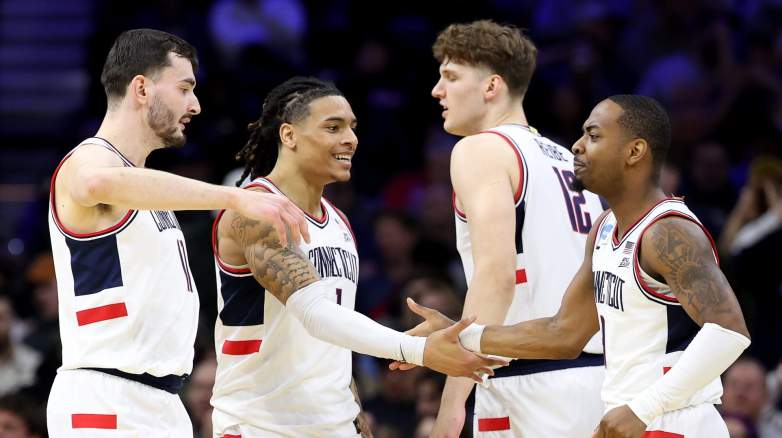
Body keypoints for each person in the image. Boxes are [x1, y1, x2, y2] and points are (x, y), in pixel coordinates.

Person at [407, 95, 752, 437]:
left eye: (594, 135)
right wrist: (459, 334)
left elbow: (729, 331)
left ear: (635, 151)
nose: (576, 146)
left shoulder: (667, 230)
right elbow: (564, 333)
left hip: (674, 421)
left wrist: (644, 408)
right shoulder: (603, 228)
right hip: (623, 419)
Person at [46, 28, 309, 436]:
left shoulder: (145, 183)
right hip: (107, 397)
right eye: (185, 88)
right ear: (141, 89)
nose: (196, 105)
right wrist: (235, 199)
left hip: (161, 400)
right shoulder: (90, 158)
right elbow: (94, 183)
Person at [210, 77, 503, 437]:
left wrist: (356, 417)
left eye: (352, 127)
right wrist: (419, 350)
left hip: (335, 424)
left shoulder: (340, 223)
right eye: (333, 127)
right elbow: (316, 314)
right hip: (261, 424)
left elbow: (335, 334)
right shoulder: (254, 210)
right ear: (289, 136)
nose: (350, 138)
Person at [408, 20, 607, 437]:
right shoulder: (569, 160)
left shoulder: (479, 149)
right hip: (598, 381)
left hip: (530, 386)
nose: (437, 91)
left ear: (491, 86)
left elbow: (498, 279)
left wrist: (450, 405)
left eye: (450, 77)